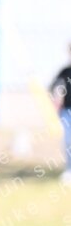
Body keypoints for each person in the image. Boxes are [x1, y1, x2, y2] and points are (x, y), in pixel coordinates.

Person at [50, 46, 71, 183]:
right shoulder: (65, 71)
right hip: (67, 111)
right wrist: (57, 100)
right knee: (68, 141)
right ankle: (69, 170)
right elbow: (55, 87)